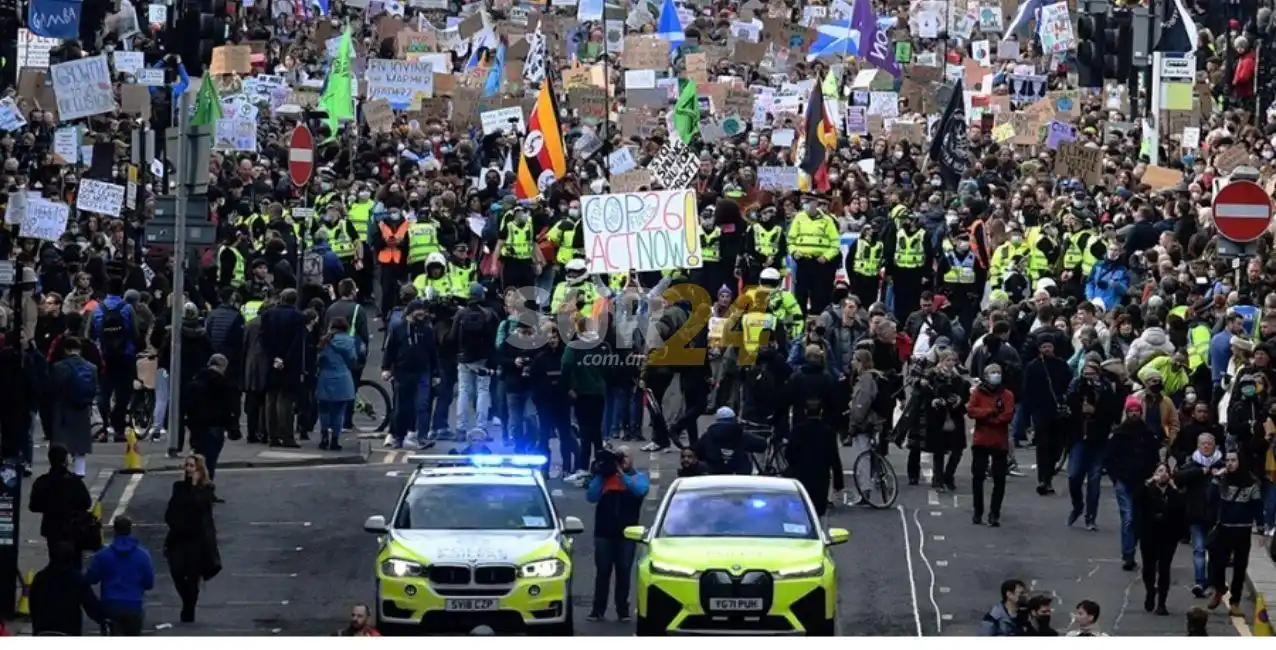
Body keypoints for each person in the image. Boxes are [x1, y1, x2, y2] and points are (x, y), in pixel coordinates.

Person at [584, 445, 649, 623]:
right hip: (603, 532)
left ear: (632, 458)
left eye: (626, 456)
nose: (623, 460)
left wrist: (621, 475)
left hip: (628, 534)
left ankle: (623, 610)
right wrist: (601, 474)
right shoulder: (604, 478)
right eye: (620, 457)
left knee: (623, 572)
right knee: (602, 572)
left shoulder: (638, 477)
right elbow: (591, 496)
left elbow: (640, 491)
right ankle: (598, 610)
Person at [1104, 396, 1160, 570]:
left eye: (1137, 410)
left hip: (1142, 483)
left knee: (1138, 520)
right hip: (1123, 482)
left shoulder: (1147, 433)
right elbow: (1109, 458)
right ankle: (1128, 555)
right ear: (1127, 413)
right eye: (1131, 411)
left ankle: (1133, 551)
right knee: (1127, 518)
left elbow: (1154, 456)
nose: (1134, 413)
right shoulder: (1120, 434)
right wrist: (1115, 477)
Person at [164, 454, 221, 624]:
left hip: (197, 540)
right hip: (178, 537)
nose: (188, 469)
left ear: (199, 470)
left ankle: (189, 608)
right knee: (176, 572)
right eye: (187, 466)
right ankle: (187, 601)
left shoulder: (207, 489)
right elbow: (172, 508)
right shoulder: (178, 487)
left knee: (192, 576)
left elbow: (199, 505)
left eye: (192, 466)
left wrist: (195, 486)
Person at [1206, 450, 1261, 616]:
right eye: (1227, 460)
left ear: (1240, 462)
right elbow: (1209, 499)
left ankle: (1235, 601)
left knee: (1240, 566)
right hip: (1224, 528)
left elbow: (1257, 506)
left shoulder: (1251, 483)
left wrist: (1261, 527)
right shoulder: (1222, 481)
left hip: (1242, 529)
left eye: (1233, 460)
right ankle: (1219, 588)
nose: (1229, 463)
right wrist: (1215, 479)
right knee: (1217, 562)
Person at [381, 300, 442, 449]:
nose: (423, 313)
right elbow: (390, 349)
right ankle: (398, 437)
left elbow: (433, 353)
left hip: (422, 372)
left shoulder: (427, 331)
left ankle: (422, 437)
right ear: (410, 312)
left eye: (424, 310)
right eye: (419, 310)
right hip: (402, 372)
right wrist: (386, 368)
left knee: (422, 405)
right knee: (402, 407)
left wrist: (436, 373)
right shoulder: (397, 329)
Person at [84, 516, 155, 636]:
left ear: (114, 530)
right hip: (134, 605)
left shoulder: (103, 555)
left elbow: (92, 579)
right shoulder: (143, 555)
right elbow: (149, 583)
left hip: (110, 604)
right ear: (130, 530)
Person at [1176, 432, 1226, 597]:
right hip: (1195, 514)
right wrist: (1200, 472)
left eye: (1209, 444)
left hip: (1215, 516)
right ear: (1198, 446)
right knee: (1198, 550)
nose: (1206, 447)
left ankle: (1210, 583)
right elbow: (1178, 478)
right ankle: (1199, 582)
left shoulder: (1222, 464)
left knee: (1214, 551)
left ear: (1214, 446)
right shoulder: (1192, 464)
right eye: (1203, 444)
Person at [259, 289, 307, 447]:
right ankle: (287, 436)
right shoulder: (298, 317)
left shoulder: (268, 314)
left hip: (271, 362)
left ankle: (272, 436)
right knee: (286, 400)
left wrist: (274, 358)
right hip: (290, 364)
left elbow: (263, 339)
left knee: (271, 399)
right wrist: (284, 359)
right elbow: (297, 343)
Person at [967, 363, 1014, 527]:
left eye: (998, 372)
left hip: (999, 442)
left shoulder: (1007, 394)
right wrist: (989, 412)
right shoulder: (978, 392)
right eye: (992, 372)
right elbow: (971, 411)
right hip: (981, 440)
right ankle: (977, 511)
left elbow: (1007, 415)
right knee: (978, 477)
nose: (996, 374)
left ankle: (995, 513)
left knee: (999, 479)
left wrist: (990, 419)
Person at [28, 445, 92, 565]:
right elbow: (86, 503)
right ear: (65, 460)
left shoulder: (42, 482)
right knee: (75, 562)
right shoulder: (74, 481)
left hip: (52, 527)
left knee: (55, 560)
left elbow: (33, 506)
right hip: (73, 526)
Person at [1137, 462, 1185, 615]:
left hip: (1168, 537)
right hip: (1149, 535)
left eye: (1165, 471)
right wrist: (1149, 481)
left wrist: (1175, 489)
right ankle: (1150, 591)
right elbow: (1136, 500)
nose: (1162, 473)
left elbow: (1182, 510)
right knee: (1148, 569)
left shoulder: (1174, 492)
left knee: (1164, 569)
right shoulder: (1147, 490)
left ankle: (1162, 603)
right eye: (1159, 470)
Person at [29, 540, 106, 636]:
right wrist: (104, 618)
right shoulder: (77, 579)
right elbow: (91, 605)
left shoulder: (40, 578)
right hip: (69, 630)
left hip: (43, 630)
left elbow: (33, 605)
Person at [48, 337, 97, 477]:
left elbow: (54, 389)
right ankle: (80, 469)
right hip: (83, 407)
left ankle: (63, 469)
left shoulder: (59, 367)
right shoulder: (92, 368)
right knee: (81, 440)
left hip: (63, 407)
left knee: (62, 438)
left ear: (66, 350)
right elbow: (94, 389)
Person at [185, 354, 236, 485]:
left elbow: (188, 406)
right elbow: (229, 407)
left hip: (197, 427)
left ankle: (193, 487)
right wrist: (231, 426)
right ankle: (206, 489)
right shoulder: (223, 383)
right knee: (211, 461)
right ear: (223, 366)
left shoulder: (195, 381)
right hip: (215, 426)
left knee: (198, 458)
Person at [316, 317, 359, 451]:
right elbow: (353, 359)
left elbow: (318, 359)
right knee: (339, 411)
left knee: (323, 409)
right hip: (343, 377)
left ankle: (324, 437)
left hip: (325, 377)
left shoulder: (325, 340)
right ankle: (335, 440)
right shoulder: (349, 341)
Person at [695, 407, 766, 476]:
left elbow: (699, 453)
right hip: (740, 476)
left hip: (714, 475)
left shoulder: (707, 436)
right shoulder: (742, 434)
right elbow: (762, 446)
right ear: (733, 418)